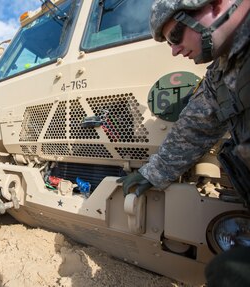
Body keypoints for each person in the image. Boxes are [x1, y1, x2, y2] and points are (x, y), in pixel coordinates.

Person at [117, 0, 249, 286]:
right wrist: (150, 173)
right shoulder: (223, 73)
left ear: (217, 4)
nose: (175, 50)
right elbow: (194, 128)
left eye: (175, 36)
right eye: (168, 44)